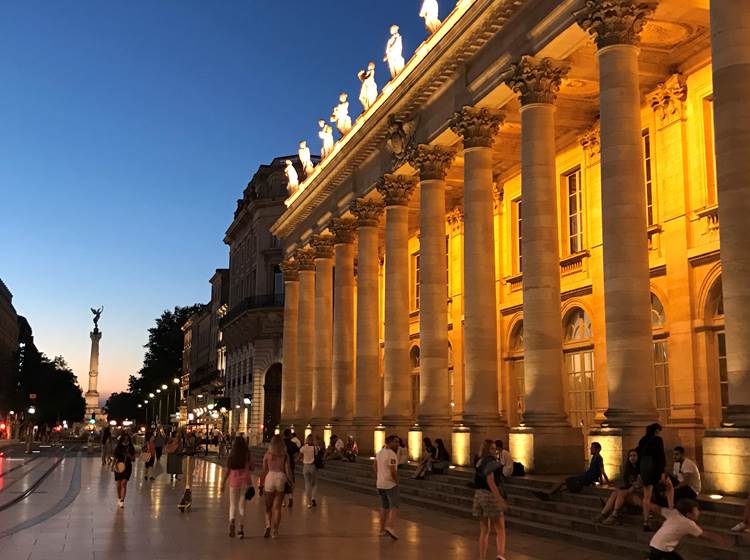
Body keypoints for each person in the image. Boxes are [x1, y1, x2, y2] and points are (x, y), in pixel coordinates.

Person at [648, 479, 728, 559]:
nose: (698, 513)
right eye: (696, 511)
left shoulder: (674, 513)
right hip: (662, 548)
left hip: (654, 543)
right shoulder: (688, 523)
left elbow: (657, 508)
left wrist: (643, 502)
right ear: (689, 514)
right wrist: (718, 539)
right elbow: (705, 534)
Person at [473, 440, 508, 560]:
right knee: (500, 528)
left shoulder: (479, 461)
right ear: (488, 450)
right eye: (493, 448)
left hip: (478, 495)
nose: (496, 450)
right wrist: (500, 499)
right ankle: (501, 555)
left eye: (496, 448)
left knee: (484, 529)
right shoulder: (492, 462)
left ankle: (482, 557)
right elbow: (490, 481)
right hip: (489, 495)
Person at [535, 442, 609, 499]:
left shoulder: (599, 458)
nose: (590, 449)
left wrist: (605, 482)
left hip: (586, 478)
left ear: (597, 449)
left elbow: (601, 471)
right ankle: (549, 494)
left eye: (592, 448)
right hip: (585, 477)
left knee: (566, 482)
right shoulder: (594, 458)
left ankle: (549, 493)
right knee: (566, 483)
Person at [596, 449, 643, 525]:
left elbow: (638, 484)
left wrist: (627, 491)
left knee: (620, 493)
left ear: (638, 457)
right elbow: (627, 484)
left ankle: (614, 516)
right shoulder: (628, 468)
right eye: (630, 456)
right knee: (616, 492)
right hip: (629, 492)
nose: (632, 457)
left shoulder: (641, 468)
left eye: (634, 455)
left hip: (638, 493)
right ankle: (603, 514)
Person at [260, 435, 294, 538]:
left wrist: (261, 483)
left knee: (268, 507)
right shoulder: (285, 455)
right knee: (277, 507)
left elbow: (264, 470)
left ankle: (268, 525)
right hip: (280, 477)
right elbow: (288, 470)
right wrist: (291, 482)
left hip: (270, 477)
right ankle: (275, 531)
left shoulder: (267, 455)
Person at [223, 435, 253, 539]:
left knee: (232, 504)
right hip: (245, 481)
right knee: (242, 505)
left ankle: (232, 520)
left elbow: (227, 469)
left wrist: (223, 482)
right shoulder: (247, 454)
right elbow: (252, 466)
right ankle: (240, 530)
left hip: (233, 481)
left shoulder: (232, 455)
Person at [638, 423, 667, 532]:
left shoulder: (642, 440)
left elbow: (639, 455)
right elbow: (660, 456)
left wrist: (639, 472)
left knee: (647, 495)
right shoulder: (657, 440)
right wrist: (662, 471)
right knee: (667, 487)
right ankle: (667, 515)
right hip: (654, 468)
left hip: (644, 468)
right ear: (656, 430)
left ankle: (646, 521)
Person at [374, 434, 400, 540]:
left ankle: (382, 530)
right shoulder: (392, 454)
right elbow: (393, 470)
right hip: (390, 484)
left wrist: (380, 475)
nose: (398, 444)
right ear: (390, 442)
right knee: (395, 506)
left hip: (380, 483)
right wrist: (397, 481)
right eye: (396, 442)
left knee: (384, 507)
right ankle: (391, 526)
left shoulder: (379, 453)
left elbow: (374, 466)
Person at [113, 432, 135, 508]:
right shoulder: (118, 447)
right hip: (118, 466)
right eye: (124, 439)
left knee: (124, 483)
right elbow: (115, 457)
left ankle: (122, 500)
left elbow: (133, 459)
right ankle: (119, 497)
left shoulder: (131, 447)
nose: (126, 440)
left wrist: (130, 456)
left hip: (128, 467)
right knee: (118, 484)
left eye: (127, 439)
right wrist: (112, 466)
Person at [300, 434, 318, 508]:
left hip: (305, 466)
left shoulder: (303, 448)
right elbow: (316, 455)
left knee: (307, 484)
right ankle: (313, 497)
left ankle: (309, 503)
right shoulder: (315, 448)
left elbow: (300, 455)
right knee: (314, 484)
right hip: (312, 466)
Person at [282, 428, 300, 507]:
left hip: (281, 465)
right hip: (290, 465)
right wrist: (294, 461)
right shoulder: (293, 444)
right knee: (291, 481)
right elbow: (296, 456)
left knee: (281, 482)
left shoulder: (281, 444)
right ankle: (290, 498)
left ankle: (283, 501)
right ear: (290, 434)